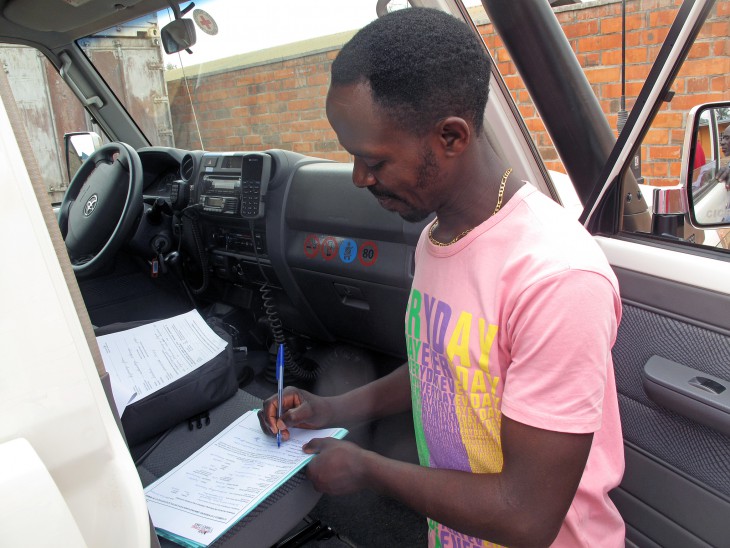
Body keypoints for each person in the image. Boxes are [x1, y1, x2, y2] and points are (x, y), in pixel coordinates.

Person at [259, 8, 625, 547]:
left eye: (374, 160)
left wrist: (368, 469)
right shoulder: (439, 237)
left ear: (451, 137)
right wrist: (331, 410)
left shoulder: (556, 277)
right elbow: (443, 369)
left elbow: (526, 517)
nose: (360, 177)